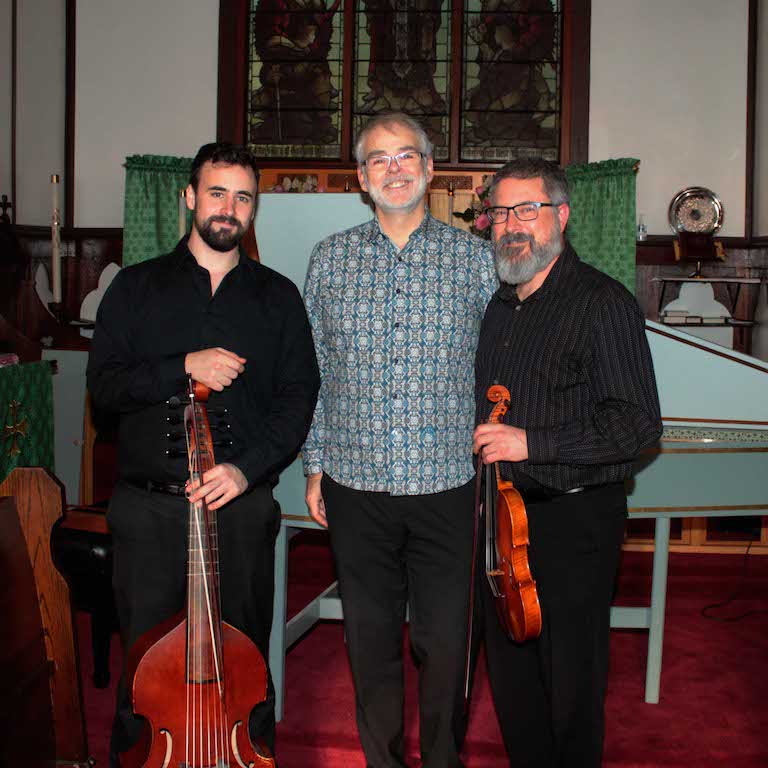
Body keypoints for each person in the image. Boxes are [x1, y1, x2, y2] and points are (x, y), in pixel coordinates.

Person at [87, 141, 319, 766]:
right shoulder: (135, 289)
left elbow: (298, 399)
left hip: (240, 512)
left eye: (243, 197)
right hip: (150, 512)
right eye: (217, 193)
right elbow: (104, 389)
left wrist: (246, 470)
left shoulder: (278, 297)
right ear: (190, 197)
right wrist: (180, 367)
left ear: (253, 209)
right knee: (145, 668)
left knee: (243, 660)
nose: (229, 207)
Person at [302, 112, 497, 768]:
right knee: (371, 641)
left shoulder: (475, 259)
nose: (393, 168)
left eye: (406, 155)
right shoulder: (330, 258)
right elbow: (315, 371)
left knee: (446, 644)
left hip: (445, 480)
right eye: (378, 159)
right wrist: (314, 463)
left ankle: (443, 759)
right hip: (355, 484)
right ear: (361, 178)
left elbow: (499, 365)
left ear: (429, 168)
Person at [473, 157, 662, 768]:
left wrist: (535, 443)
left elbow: (636, 424)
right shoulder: (500, 305)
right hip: (502, 514)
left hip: (575, 521)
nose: (511, 225)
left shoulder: (603, 302)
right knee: (512, 672)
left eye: (527, 210)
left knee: (571, 680)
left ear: (561, 216)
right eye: (501, 212)